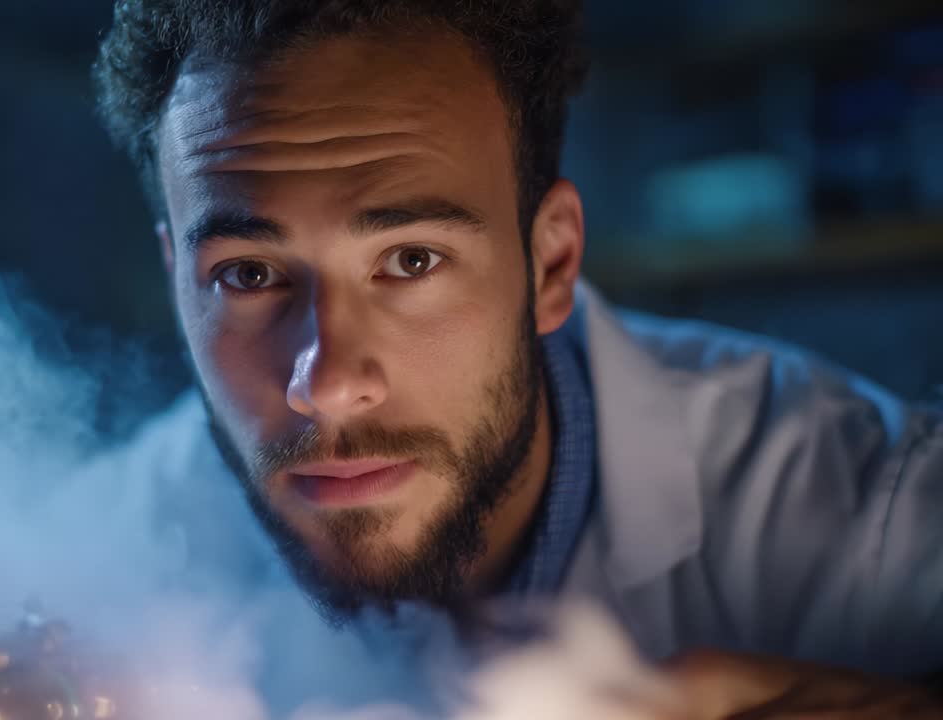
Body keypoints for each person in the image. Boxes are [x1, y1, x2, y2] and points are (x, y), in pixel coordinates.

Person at [92, 1, 943, 715]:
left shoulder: (862, 501)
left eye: (412, 260)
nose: (328, 385)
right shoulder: (124, 527)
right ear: (177, 279)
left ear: (552, 264)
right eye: (247, 274)